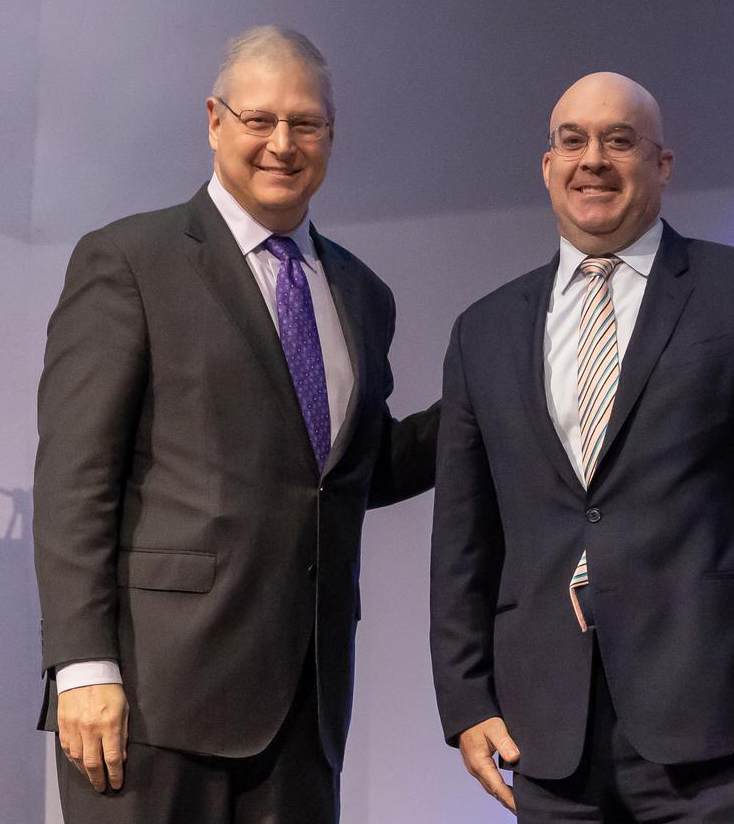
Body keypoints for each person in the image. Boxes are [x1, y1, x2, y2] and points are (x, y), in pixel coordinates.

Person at [429, 71, 734, 822]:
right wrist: (465, 698)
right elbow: (462, 537)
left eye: (620, 140)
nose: (594, 160)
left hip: (718, 715)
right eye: (572, 141)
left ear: (663, 163)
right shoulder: (483, 329)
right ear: (548, 166)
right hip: (549, 729)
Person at [33, 25, 438, 824]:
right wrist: (80, 664)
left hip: (304, 705)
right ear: (215, 122)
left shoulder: (362, 292)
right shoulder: (129, 260)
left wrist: (487, 406)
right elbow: (76, 476)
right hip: (151, 706)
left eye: (305, 123)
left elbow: (353, 470)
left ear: (330, 135)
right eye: (260, 120)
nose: (282, 143)